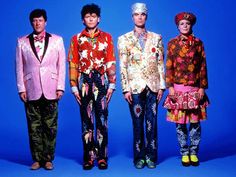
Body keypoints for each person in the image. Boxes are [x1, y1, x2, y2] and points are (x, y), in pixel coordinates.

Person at [15, 9, 66, 170]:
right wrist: (21, 88)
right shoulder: (21, 42)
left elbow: (61, 65)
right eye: (35, 21)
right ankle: (37, 159)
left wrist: (60, 87)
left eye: (40, 20)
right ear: (31, 23)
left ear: (46, 22)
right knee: (34, 126)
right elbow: (19, 67)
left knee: (50, 126)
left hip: (51, 87)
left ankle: (48, 158)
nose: (37, 23)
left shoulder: (57, 40)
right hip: (31, 88)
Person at [68, 3, 116, 170]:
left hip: (101, 81)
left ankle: (102, 157)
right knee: (86, 122)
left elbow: (110, 61)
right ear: (83, 20)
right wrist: (74, 86)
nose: (90, 19)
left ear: (98, 19)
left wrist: (112, 85)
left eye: (93, 16)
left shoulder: (107, 37)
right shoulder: (76, 39)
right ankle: (89, 157)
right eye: (87, 16)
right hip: (84, 82)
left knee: (102, 120)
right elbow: (73, 63)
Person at [117, 3, 165, 169]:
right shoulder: (124, 39)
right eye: (136, 14)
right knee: (137, 123)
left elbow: (160, 63)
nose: (139, 17)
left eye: (142, 14)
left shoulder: (156, 37)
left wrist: (162, 86)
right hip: (135, 87)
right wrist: (125, 88)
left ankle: (151, 156)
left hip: (153, 85)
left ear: (146, 16)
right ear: (132, 17)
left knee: (152, 122)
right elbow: (122, 66)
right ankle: (139, 156)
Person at [163, 12, 209, 167]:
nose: (185, 26)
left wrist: (202, 87)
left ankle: (194, 152)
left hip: (195, 89)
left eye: (187, 24)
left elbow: (203, 66)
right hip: (178, 89)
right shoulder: (172, 43)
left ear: (191, 25)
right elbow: (168, 66)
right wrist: (170, 87)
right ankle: (184, 152)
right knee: (180, 124)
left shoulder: (198, 43)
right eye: (182, 23)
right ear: (178, 26)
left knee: (195, 124)